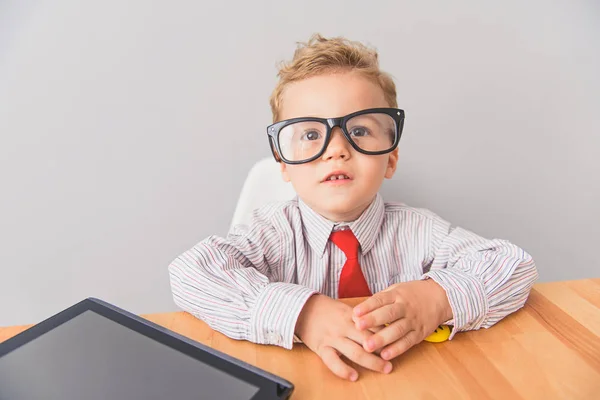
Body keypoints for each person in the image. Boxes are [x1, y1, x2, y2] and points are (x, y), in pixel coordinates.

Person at [168, 34, 538, 381]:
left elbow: (513, 264)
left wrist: (437, 299)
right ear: (283, 164)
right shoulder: (271, 233)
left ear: (390, 159)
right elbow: (189, 274)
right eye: (311, 135)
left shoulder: (420, 231)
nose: (336, 149)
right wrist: (303, 314)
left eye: (359, 130)